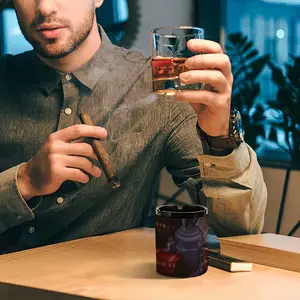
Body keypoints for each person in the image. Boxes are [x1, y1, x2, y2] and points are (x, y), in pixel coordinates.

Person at [0, 0, 267, 254]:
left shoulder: (161, 86)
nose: (45, 7)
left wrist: (220, 137)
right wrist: (26, 181)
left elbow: (239, 231)